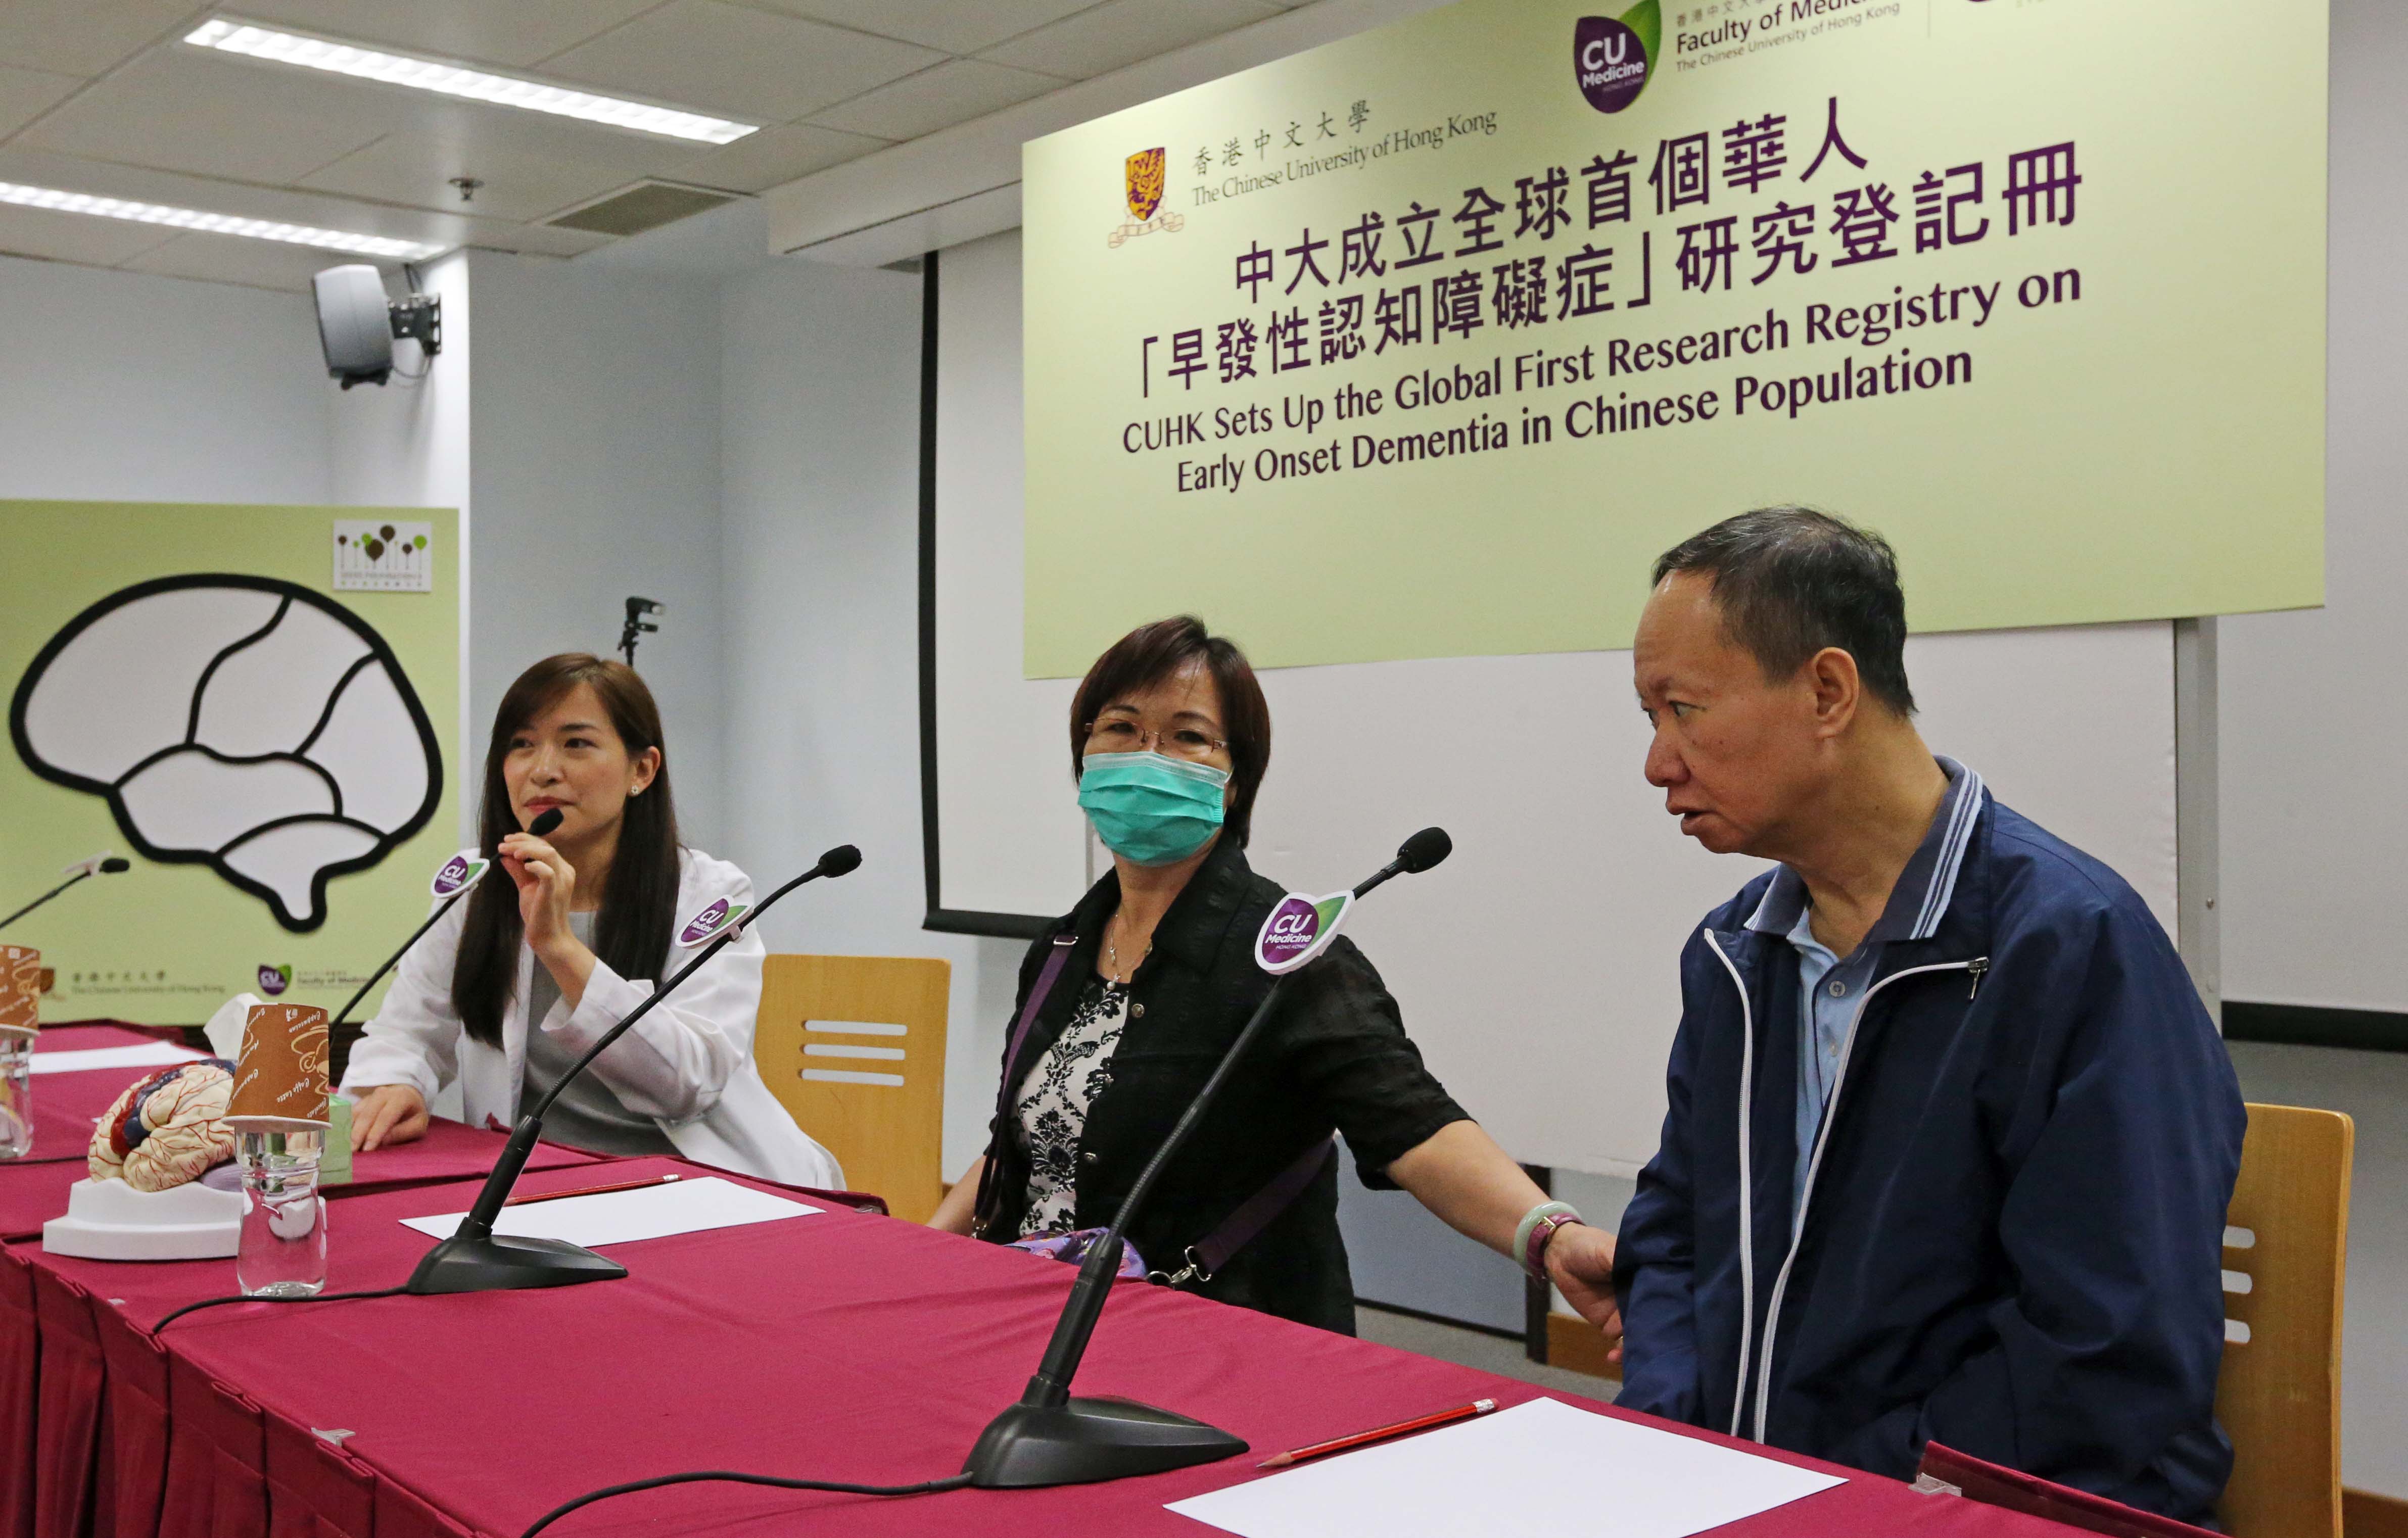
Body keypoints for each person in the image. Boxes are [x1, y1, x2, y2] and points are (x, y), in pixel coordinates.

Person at [1614, 508, 2243, 1518]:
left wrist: (1849, 1488)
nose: (1659, 762)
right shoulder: (1736, 954)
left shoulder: (2067, 946)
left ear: (1827, 690)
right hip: (1761, 1491)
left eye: (1683, 709)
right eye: (1650, 718)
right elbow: (1675, 1237)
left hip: (1973, 1505)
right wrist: (1674, 1446)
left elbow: (2107, 1346)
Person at [929, 616, 1621, 1339]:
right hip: (1027, 1321)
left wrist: (1549, 1234)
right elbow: (1020, 1148)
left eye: (1188, 737)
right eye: (1122, 728)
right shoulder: (1062, 946)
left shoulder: (1285, 956)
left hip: (1212, 1341)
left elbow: (1413, 1125)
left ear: (1234, 783)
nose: (1147, 757)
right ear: (1085, 753)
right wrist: (915, 1251)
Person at [341, 653, 840, 1187]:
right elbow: (408, 1030)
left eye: (576, 743)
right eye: (522, 744)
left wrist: (559, 946)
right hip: (528, 1182)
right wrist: (397, 1082)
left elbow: (687, 1081)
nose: (542, 769)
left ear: (642, 770)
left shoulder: (711, 893)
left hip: (692, 1185)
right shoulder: (476, 884)